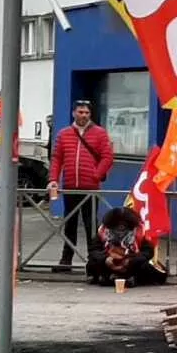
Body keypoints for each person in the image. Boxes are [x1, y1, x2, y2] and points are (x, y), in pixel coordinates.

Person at [47, 99, 114, 272]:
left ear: (90, 115)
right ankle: (66, 260)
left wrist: (96, 175)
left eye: (86, 112)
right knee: (69, 224)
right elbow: (57, 158)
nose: (83, 115)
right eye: (80, 112)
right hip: (69, 186)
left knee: (91, 226)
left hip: (90, 188)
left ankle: (94, 261)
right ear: (74, 113)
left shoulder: (100, 133)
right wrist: (53, 179)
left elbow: (107, 157)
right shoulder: (64, 134)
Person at [85, 206, 167, 289]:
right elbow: (93, 250)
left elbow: (148, 252)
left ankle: (127, 278)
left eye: (124, 225)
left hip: (131, 263)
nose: (120, 228)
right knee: (92, 263)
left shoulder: (140, 231)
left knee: (149, 268)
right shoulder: (103, 231)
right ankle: (107, 277)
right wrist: (105, 260)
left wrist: (131, 261)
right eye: (118, 225)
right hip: (109, 262)